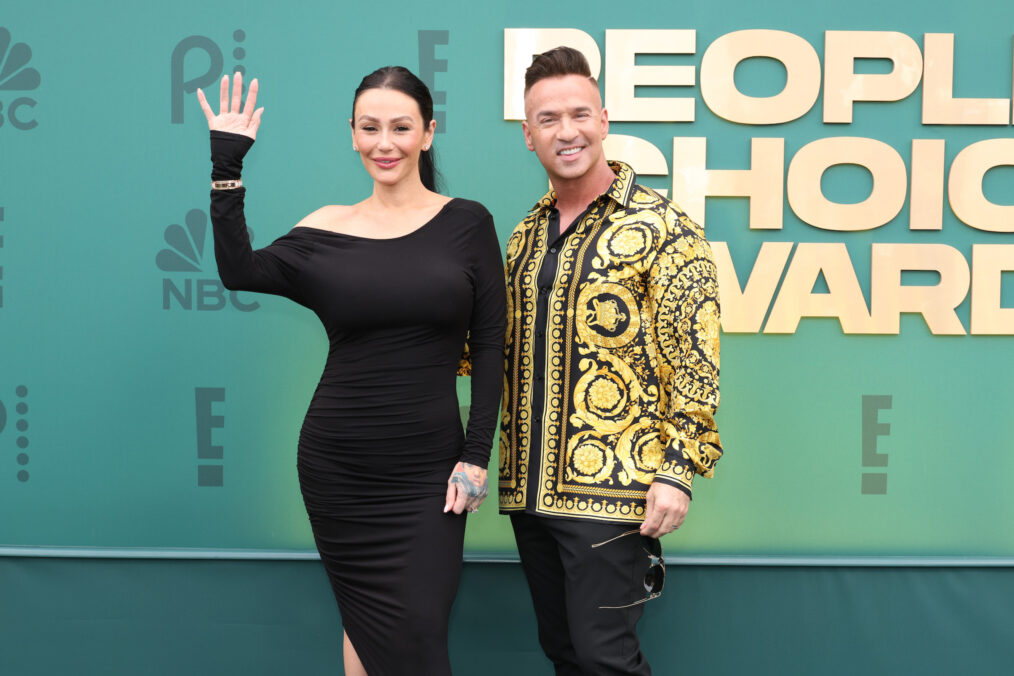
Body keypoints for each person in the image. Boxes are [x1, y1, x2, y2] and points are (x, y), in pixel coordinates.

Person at [195, 67, 505, 676]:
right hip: (340, 467)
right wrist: (226, 166)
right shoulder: (326, 228)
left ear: (427, 133)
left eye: (400, 127)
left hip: (429, 472)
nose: (384, 142)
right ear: (353, 134)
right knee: (365, 626)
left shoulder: (468, 223)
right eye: (370, 128)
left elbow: (492, 345)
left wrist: (475, 457)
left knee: (417, 633)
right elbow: (239, 270)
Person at [499, 46, 724, 675]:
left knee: (606, 661)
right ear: (528, 135)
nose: (565, 131)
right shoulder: (525, 234)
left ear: (604, 119)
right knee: (566, 655)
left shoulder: (664, 226)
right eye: (548, 119)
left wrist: (678, 469)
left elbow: (695, 357)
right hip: (531, 490)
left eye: (578, 114)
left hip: (617, 491)